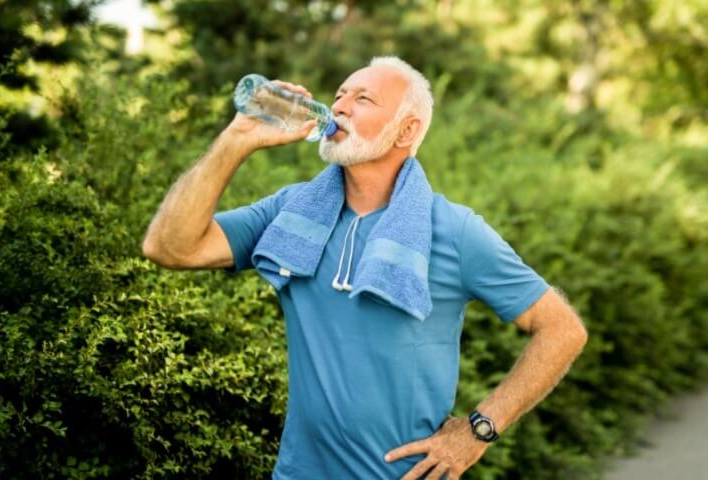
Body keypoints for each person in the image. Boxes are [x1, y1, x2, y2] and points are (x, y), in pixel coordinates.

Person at [142, 55, 588, 480]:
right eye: (339, 94)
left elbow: (562, 329)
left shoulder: (453, 230)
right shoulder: (292, 212)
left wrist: (479, 430)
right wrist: (235, 139)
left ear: (405, 130)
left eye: (363, 99)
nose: (339, 106)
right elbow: (170, 247)